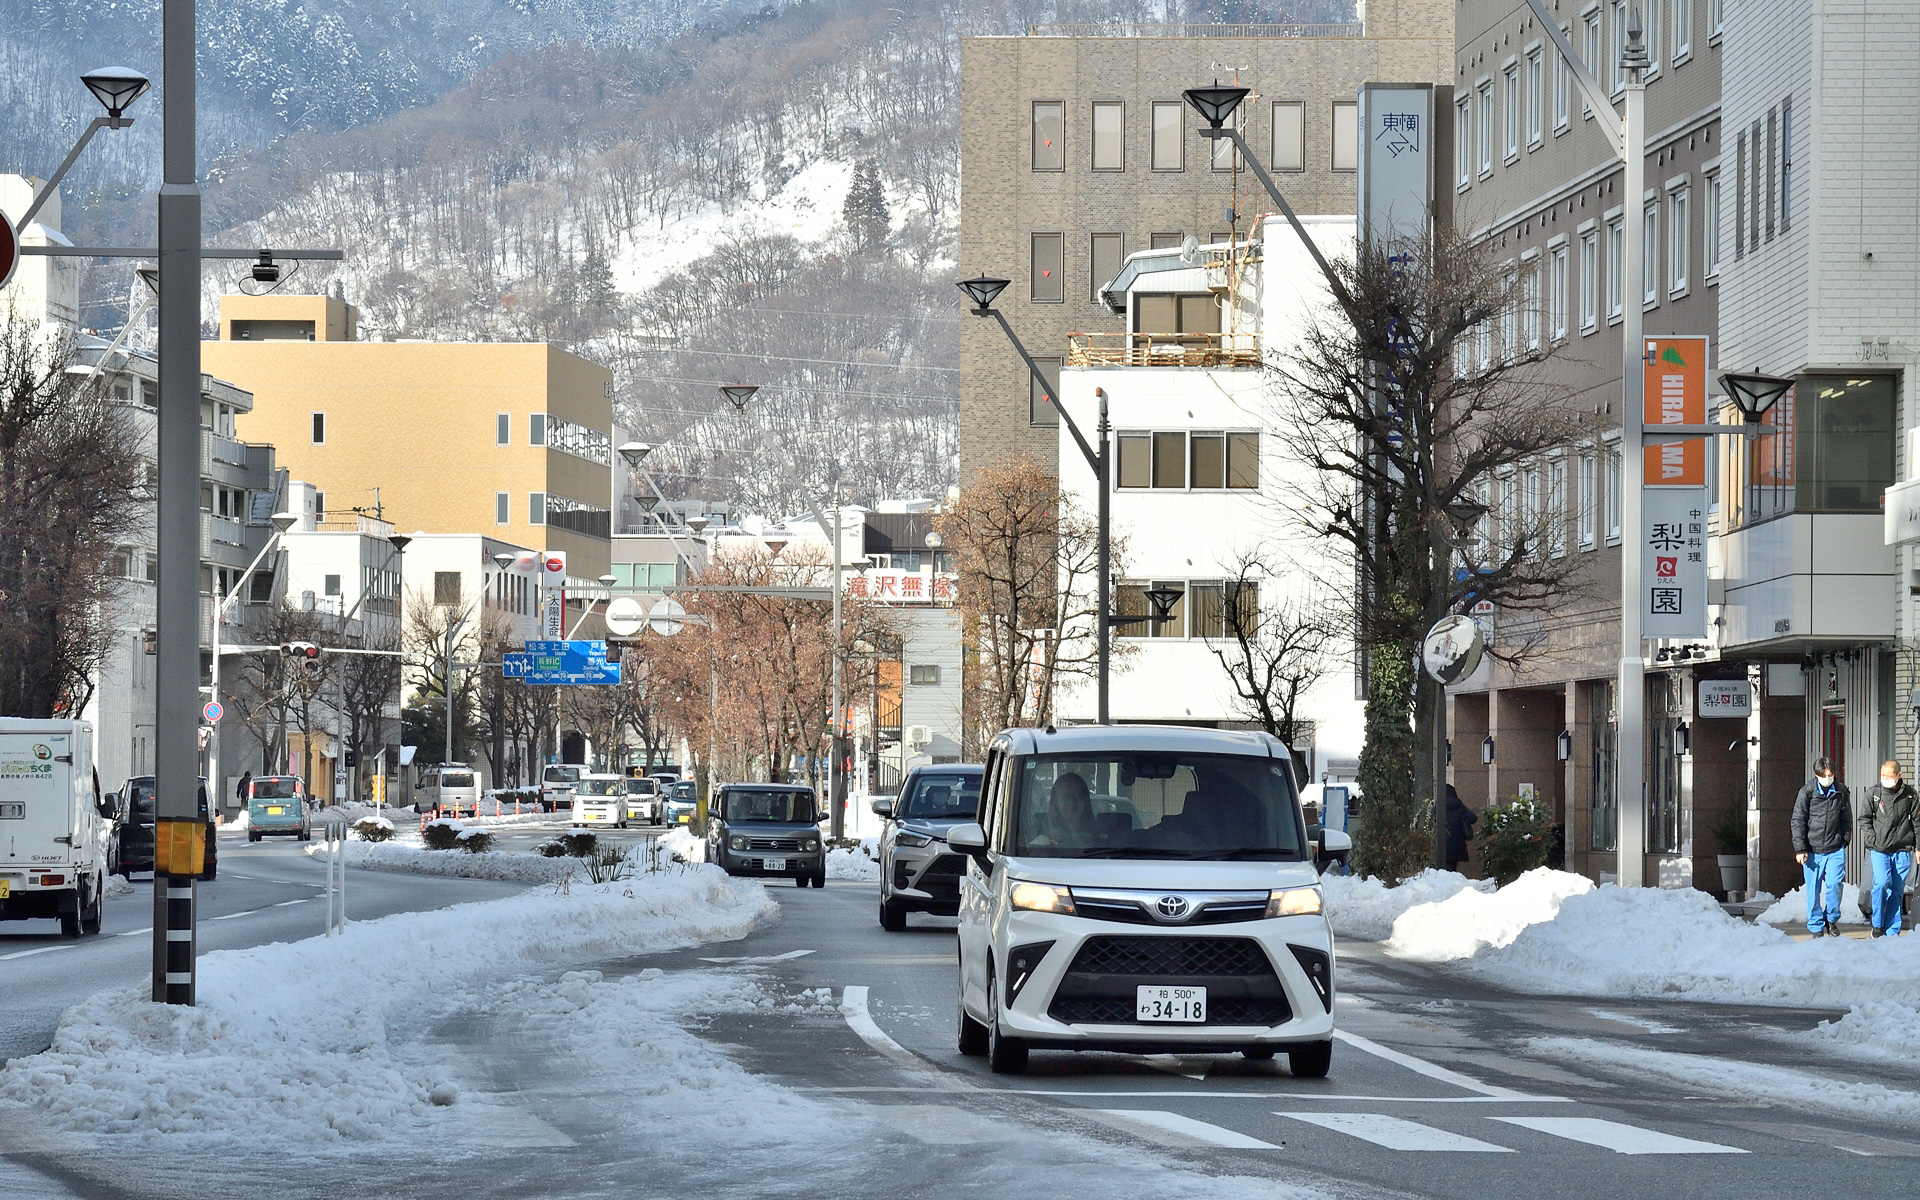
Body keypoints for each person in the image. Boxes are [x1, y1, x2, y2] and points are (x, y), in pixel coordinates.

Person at [1791, 757, 1852, 937]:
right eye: (1824, 775)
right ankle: (1816, 926)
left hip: (1835, 847)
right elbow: (1797, 820)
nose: (1827, 778)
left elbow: (1846, 818)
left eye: (1830, 774)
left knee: (1835, 885)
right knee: (1813, 889)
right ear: (1817, 775)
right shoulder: (1807, 792)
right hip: (1811, 850)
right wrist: (1800, 849)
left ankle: (1831, 920)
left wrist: (1845, 840)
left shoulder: (1841, 791)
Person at [1858, 759, 1917, 937]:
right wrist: (1872, 839)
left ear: (1899, 775)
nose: (1885, 779)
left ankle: (1893, 929)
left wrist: (1918, 847)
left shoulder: (1910, 795)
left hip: (1902, 848)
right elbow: (1864, 819)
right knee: (1882, 883)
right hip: (1879, 848)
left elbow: (1917, 823)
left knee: (1897, 890)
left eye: (1889, 776)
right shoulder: (1874, 794)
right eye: (1883, 775)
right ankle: (1877, 923)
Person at [1444, 785, 1478, 873]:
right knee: (1452, 868)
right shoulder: (1460, 807)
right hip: (1457, 844)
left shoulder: (1438, 807)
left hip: (1442, 844)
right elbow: (1473, 818)